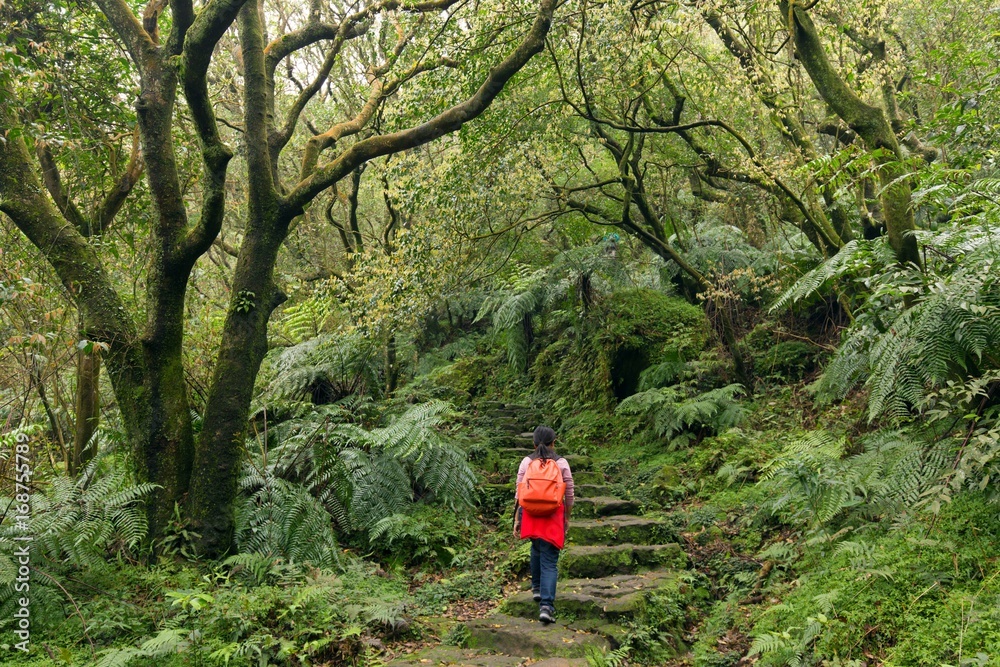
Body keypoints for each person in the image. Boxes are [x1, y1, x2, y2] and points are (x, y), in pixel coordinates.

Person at [513, 425, 574, 624]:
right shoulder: (561, 462)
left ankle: (537, 588)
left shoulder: (526, 461)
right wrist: (567, 517)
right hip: (553, 515)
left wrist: (517, 518)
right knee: (550, 558)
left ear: (533, 443)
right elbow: (569, 492)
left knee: (536, 547)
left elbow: (519, 490)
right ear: (553, 443)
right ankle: (546, 606)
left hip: (530, 513)